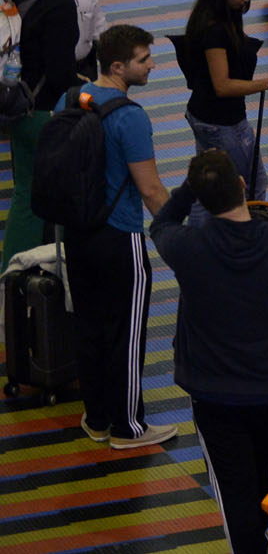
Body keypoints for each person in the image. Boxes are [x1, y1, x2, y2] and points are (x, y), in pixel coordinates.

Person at [150, 149, 268, 554]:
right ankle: (260, 537)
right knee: (259, 473)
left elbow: (161, 222)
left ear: (200, 199)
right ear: (242, 186)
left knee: (233, 489)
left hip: (214, 397)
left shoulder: (187, 248)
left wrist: (192, 185)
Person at [58, 25, 174, 449]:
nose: (152, 66)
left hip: (77, 232)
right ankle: (128, 427)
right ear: (119, 66)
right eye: (145, 60)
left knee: (89, 326)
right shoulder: (130, 116)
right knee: (126, 332)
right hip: (121, 235)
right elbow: (151, 189)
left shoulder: (68, 100)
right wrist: (178, 235)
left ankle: (98, 417)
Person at [1, 0, 97, 266]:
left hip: (17, 104)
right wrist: (89, 88)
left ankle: (10, 274)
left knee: (25, 194)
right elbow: (58, 72)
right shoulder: (60, 3)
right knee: (60, 195)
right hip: (43, 113)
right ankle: (47, 269)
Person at [180, 0, 268, 223]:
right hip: (222, 122)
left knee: (210, 187)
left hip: (206, 116)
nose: (246, 0)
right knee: (249, 186)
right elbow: (222, 85)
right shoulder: (215, 30)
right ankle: (238, 241)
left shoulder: (220, 16)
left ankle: (201, 242)